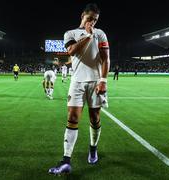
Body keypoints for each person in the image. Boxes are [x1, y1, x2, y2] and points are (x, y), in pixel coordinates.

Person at [48, 3, 110, 175]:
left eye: (95, 20)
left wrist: (103, 80)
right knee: (72, 117)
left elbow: (106, 59)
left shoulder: (101, 34)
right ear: (83, 15)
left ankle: (93, 149)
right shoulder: (70, 33)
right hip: (77, 82)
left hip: (95, 81)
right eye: (90, 19)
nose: (93, 23)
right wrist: (87, 36)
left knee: (94, 118)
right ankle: (66, 161)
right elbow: (71, 51)